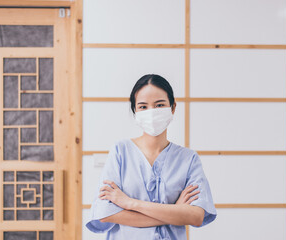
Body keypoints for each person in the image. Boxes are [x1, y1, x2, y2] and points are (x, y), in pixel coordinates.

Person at [86, 74, 217, 239]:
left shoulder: (188, 159)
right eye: (143, 107)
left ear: (173, 107)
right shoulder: (120, 152)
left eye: (159, 105)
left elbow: (196, 216)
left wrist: (130, 203)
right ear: (135, 111)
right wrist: (175, 212)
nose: (152, 112)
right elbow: (105, 214)